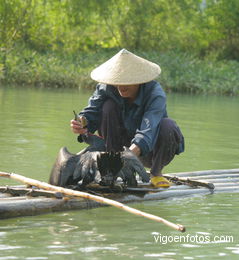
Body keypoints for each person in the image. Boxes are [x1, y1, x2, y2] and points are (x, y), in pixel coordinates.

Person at [70, 49, 185, 188]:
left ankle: (156, 172)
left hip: (149, 149)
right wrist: (82, 122)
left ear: (139, 81)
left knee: (168, 126)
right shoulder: (106, 88)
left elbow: (148, 130)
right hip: (116, 146)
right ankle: (111, 165)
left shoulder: (155, 93)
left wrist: (128, 155)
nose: (121, 87)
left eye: (127, 82)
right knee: (108, 106)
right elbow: (92, 111)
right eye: (118, 81)